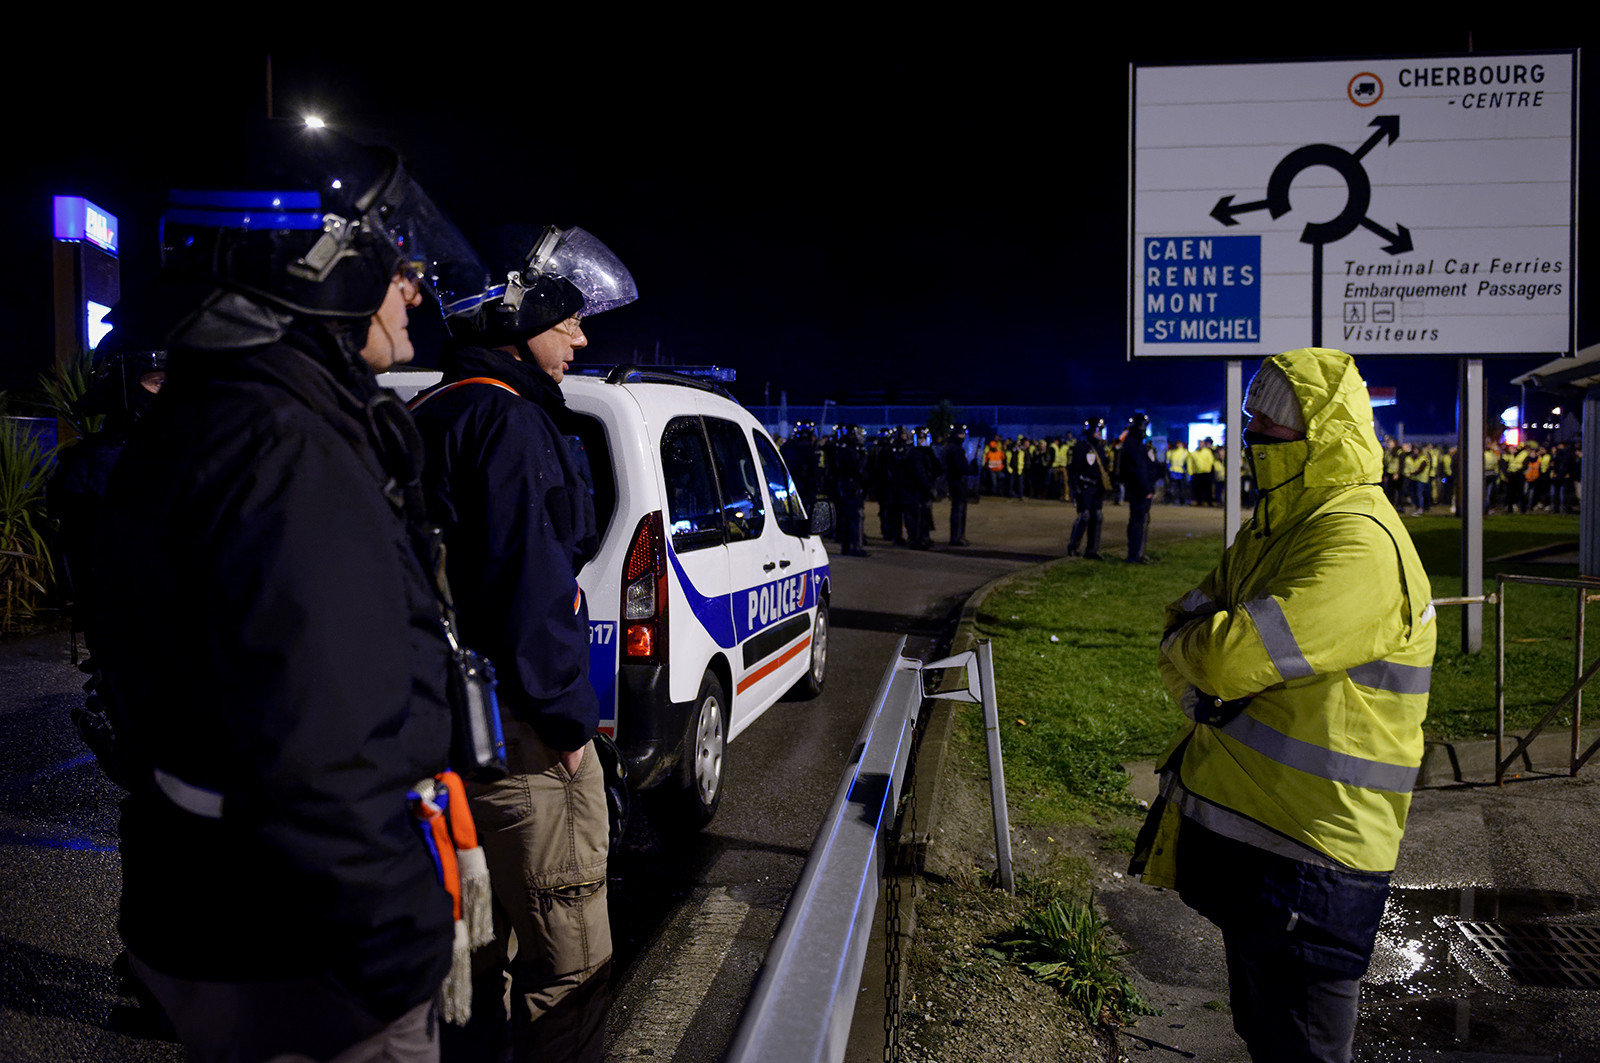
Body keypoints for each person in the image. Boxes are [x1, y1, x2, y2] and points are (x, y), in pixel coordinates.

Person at [93, 123, 479, 1062]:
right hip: (311, 958)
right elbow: (327, 757)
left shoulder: (204, 415)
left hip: (220, 917)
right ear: (318, 265)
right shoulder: (288, 448)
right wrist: (406, 947)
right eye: (396, 261)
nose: (415, 287)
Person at [1130, 347, 1436, 1063]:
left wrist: (1210, 664)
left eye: (1270, 422)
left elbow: (1225, 656)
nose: (1252, 433)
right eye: (1251, 417)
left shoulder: (1357, 541)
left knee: (1303, 1051)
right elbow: (1183, 624)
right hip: (1264, 850)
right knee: (1266, 1038)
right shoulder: (1277, 532)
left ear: (1323, 433)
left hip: (1317, 855)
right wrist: (1205, 666)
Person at [412, 224, 638, 1063]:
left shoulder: (427, 412)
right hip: (522, 744)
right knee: (569, 970)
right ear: (520, 319)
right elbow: (531, 590)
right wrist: (570, 730)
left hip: (442, 738)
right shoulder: (509, 423)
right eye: (570, 320)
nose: (581, 336)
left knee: (477, 968)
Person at [1066, 417, 1111, 559]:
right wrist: (1076, 489)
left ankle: (1092, 550)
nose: (1099, 433)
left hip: (1097, 488)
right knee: (1084, 517)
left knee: (1097, 517)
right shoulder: (1081, 447)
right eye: (1097, 430)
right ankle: (1073, 546)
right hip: (1084, 486)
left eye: (1100, 430)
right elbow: (1073, 470)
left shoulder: (1100, 448)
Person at [1119, 412, 1160, 563]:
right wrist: (1147, 489)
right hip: (1139, 490)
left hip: (1138, 488)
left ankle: (1137, 554)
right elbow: (1139, 469)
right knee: (1139, 521)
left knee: (1141, 521)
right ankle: (1135, 555)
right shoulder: (1133, 444)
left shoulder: (1135, 444)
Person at [944, 423, 972, 546]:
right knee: (959, 510)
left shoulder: (952, 447)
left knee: (959, 509)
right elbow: (961, 467)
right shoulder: (955, 449)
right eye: (960, 434)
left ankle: (958, 536)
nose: (962, 436)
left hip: (956, 482)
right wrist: (972, 468)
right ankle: (956, 537)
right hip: (957, 482)